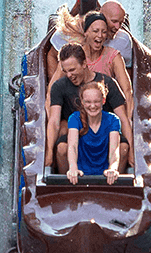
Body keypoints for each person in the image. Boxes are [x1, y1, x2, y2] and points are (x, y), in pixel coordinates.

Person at [46, 43, 133, 174]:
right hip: (75, 134)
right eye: (66, 71)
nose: (69, 75)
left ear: (84, 64)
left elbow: (123, 119)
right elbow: (54, 121)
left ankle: (113, 184)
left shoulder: (107, 83)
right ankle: (67, 184)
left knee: (123, 147)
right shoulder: (60, 86)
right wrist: (48, 154)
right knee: (62, 148)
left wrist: (132, 153)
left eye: (73, 70)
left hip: (103, 134)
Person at [47, 11, 134, 121]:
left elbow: (127, 91)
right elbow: (51, 92)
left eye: (103, 32)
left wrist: (128, 121)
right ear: (86, 33)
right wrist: (51, 123)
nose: (100, 35)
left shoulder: (113, 56)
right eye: (95, 31)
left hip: (103, 114)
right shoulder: (74, 55)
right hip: (75, 113)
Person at [66, 80, 120, 185]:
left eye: (96, 101)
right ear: (82, 102)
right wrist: (73, 168)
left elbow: (115, 149)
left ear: (103, 101)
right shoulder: (75, 118)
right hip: (81, 175)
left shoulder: (113, 120)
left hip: (104, 176)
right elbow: (72, 146)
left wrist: (112, 168)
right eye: (88, 102)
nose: (92, 106)